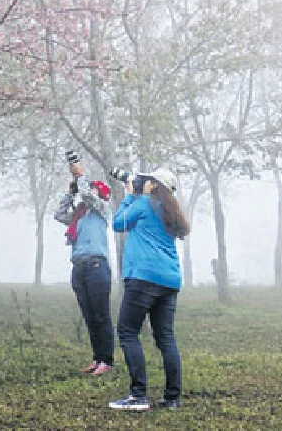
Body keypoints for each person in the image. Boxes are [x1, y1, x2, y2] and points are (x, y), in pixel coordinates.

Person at [108, 169, 191, 412]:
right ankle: (173, 398)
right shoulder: (170, 210)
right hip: (169, 280)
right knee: (166, 338)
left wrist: (130, 196)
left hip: (143, 277)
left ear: (155, 185)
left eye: (149, 180)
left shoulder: (144, 203)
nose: (144, 182)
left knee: (127, 332)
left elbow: (118, 223)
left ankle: (138, 396)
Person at [53, 156, 115, 375]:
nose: (87, 191)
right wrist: (70, 193)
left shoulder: (102, 210)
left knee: (101, 315)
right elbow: (59, 214)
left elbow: (88, 196)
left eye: (93, 188)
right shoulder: (78, 215)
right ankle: (97, 358)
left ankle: (107, 360)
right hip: (79, 267)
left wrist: (80, 176)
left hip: (96, 266)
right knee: (89, 316)